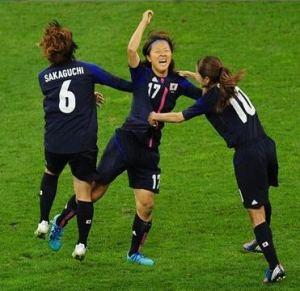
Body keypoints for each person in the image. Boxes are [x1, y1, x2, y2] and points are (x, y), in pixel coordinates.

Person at [48, 10, 202, 265]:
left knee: (147, 204)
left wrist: (198, 78)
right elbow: (131, 50)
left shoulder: (178, 83)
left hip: (149, 150)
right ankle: (60, 221)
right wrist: (144, 22)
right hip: (125, 142)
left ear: (171, 55)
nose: (163, 53)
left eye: (166, 50)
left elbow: (205, 99)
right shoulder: (141, 73)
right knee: (94, 193)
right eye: (157, 50)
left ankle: (133, 253)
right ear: (149, 56)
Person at [148, 56, 286, 283]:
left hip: (248, 155)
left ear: (206, 78)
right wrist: (193, 76)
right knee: (261, 197)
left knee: (255, 211)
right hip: (266, 145)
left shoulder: (211, 96)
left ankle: (275, 266)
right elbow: (209, 93)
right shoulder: (229, 84)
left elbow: (180, 117)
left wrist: (154, 115)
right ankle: (261, 243)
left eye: (197, 72)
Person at [35, 21, 132, 260]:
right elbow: (119, 83)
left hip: (56, 141)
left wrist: (86, 94)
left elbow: (60, 95)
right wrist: (142, 84)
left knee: (50, 174)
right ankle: (80, 245)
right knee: (84, 193)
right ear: (71, 47)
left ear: (48, 50)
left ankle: (44, 221)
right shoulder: (88, 70)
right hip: (83, 145)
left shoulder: (43, 77)